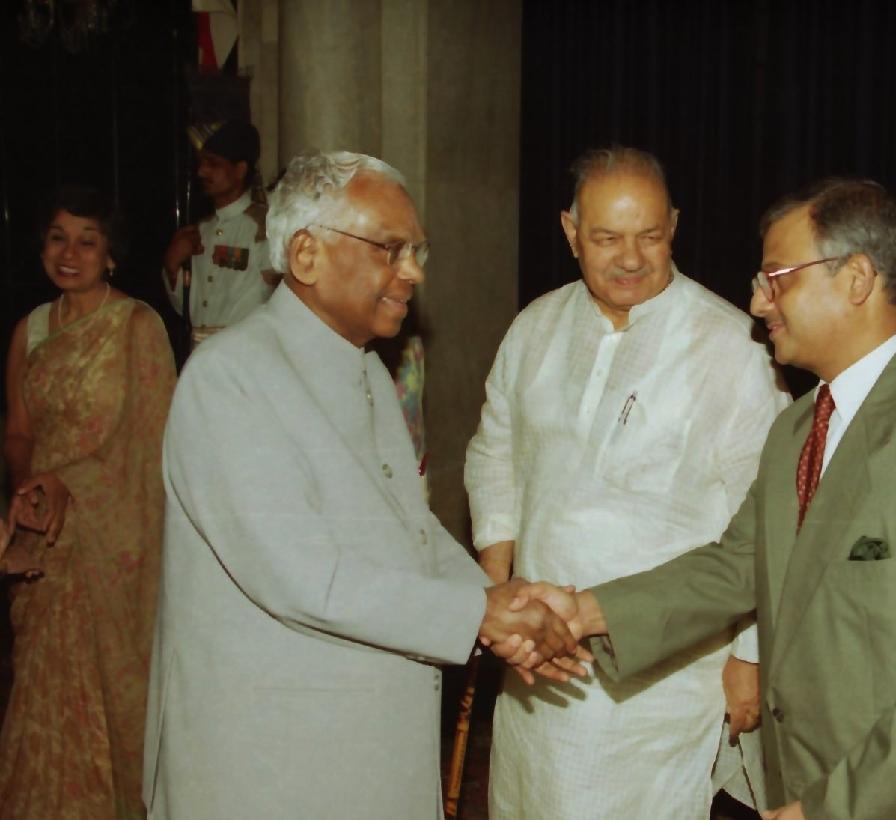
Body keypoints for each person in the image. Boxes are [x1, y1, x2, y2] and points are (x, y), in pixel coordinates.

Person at [519, 178, 896, 819]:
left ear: (856, 279)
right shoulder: (799, 429)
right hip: (815, 780)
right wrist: (585, 612)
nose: (757, 302)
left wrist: (829, 810)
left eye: (776, 279)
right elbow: (738, 564)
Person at [142, 149, 580, 820]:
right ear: (306, 254)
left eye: (417, 252)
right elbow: (301, 576)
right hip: (269, 764)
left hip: (362, 749)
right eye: (390, 249)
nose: (413, 272)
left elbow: (408, 528)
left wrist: (494, 601)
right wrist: (478, 616)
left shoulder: (368, 369)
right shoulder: (229, 377)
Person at [465, 146, 789, 819]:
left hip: (664, 678)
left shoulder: (734, 349)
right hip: (539, 659)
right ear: (570, 232)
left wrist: (751, 658)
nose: (630, 258)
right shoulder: (535, 327)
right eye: (607, 238)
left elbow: (767, 519)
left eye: (650, 236)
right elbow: (495, 452)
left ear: (675, 227)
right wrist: (497, 593)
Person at [0, 186, 176, 819]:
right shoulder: (31, 329)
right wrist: (29, 487)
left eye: (86, 240)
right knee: (41, 686)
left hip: (115, 542)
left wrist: (71, 483)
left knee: (112, 694)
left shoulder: (137, 327)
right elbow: (19, 431)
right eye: (57, 238)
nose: (68, 253)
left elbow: (152, 444)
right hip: (44, 535)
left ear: (111, 254)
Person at [161, 119, 278, 348]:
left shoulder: (266, 228)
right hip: (200, 353)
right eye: (201, 163)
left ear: (240, 170)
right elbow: (187, 307)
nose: (202, 171)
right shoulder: (200, 230)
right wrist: (172, 266)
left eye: (213, 164)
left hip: (245, 351)